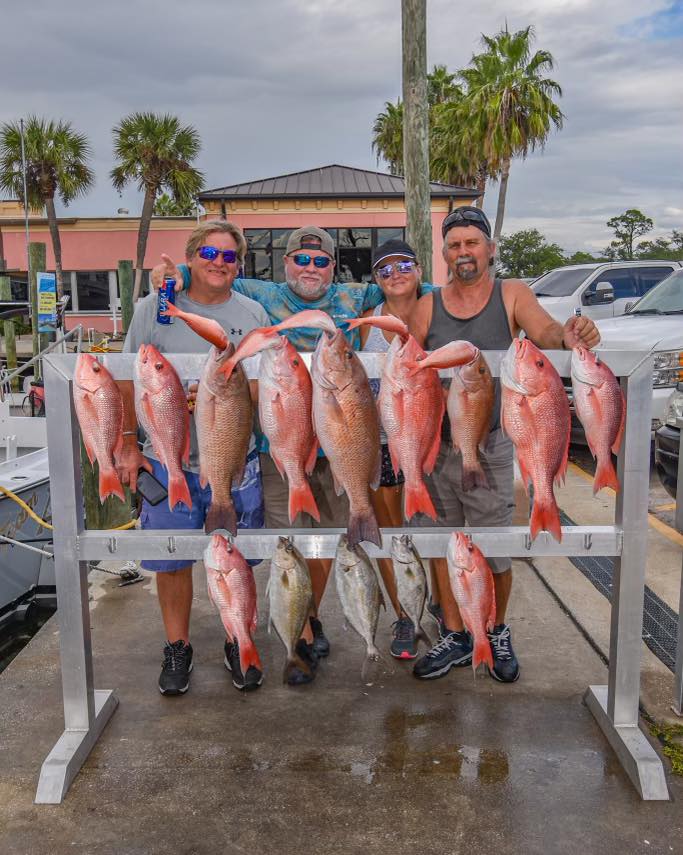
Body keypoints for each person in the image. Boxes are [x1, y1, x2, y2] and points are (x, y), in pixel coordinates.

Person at [151, 226, 390, 684]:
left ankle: (311, 615)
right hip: (278, 445)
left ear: (334, 267)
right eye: (302, 259)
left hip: (340, 444)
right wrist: (176, 273)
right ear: (286, 264)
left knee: (326, 542)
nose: (311, 269)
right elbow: (211, 273)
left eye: (321, 262)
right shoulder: (260, 295)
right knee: (290, 540)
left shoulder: (355, 297)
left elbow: (414, 285)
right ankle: (297, 638)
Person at [410, 206, 600, 683]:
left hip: (492, 444)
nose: (463, 253)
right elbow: (403, 361)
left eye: (472, 243)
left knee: (494, 549)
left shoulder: (510, 293)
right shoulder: (429, 305)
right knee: (442, 545)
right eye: (454, 245)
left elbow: (547, 333)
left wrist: (571, 335)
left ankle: (494, 629)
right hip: (439, 447)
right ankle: (455, 633)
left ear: (490, 249)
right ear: (444, 254)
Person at [117, 220, 270, 696]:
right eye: (209, 253)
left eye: (229, 257)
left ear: (238, 265)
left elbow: (265, 386)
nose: (219, 263)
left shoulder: (253, 311)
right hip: (169, 462)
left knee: (235, 558)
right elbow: (127, 378)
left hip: (233, 459)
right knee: (173, 560)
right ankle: (177, 646)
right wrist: (124, 443)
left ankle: (236, 637)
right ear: (191, 256)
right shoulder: (156, 307)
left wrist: (222, 395)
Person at [357, 238, 426, 660]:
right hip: (380, 441)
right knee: (387, 531)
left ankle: (435, 605)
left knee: (428, 530)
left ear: (419, 270)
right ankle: (402, 612)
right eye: (384, 269)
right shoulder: (368, 321)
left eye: (403, 265)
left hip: (424, 437)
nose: (394, 273)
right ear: (376, 280)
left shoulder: (436, 313)